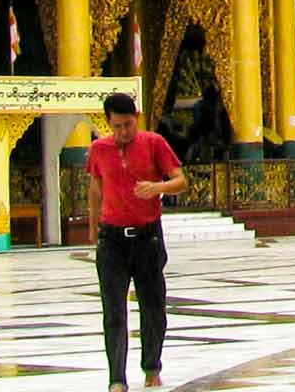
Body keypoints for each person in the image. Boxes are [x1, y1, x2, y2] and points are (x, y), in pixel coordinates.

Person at [88, 90, 186, 392]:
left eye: (128, 125)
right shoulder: (98, 149)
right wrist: (94, 229)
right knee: (114, 310)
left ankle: (152, 366)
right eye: (117, 126)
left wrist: (157, 187)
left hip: (147, 237)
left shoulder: (153, 143)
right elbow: (95, 188)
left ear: (136, 119)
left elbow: (181, 181)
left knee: (153, 307)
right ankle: (116, 377)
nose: (123, 132)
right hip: (112, 239)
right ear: (108, 123)